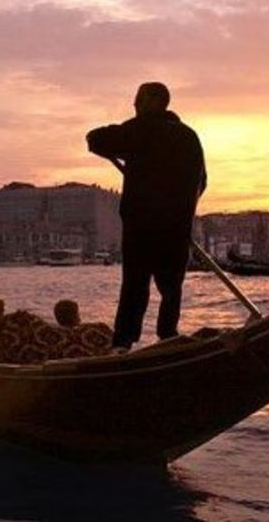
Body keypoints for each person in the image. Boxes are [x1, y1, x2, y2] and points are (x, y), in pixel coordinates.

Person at [86, 82, 206, 350]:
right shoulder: (190, 137)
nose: (134, 105)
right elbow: (203, 181)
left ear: (152, 101)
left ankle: (123, 343)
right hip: (177, 226)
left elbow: (94, 139)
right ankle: (168, 335)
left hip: (142, 225)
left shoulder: (141, 129)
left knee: (135, 286)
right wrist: (181, 205)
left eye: (138, 100)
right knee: (171, 287)